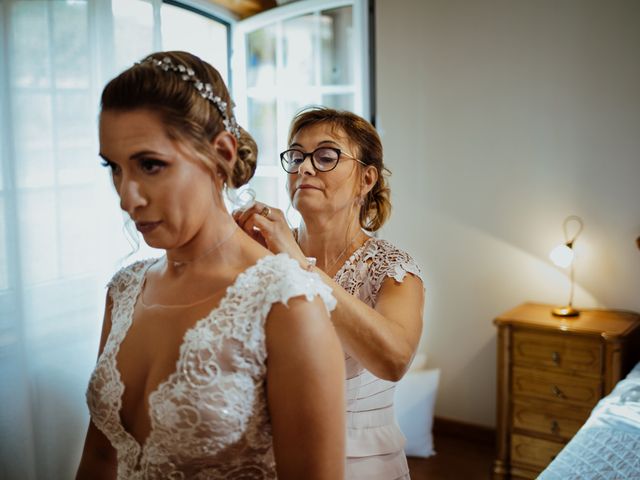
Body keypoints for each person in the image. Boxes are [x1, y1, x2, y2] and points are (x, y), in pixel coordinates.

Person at [76, 52, 345, 480]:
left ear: (220, 152)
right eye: (114, 168)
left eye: (150, 165)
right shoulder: (124, 291)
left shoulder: (288, 304)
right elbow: (99, 459)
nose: (127, 199)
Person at [234, 107, 425, 479]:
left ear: (366, 179)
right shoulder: (260, 250)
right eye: (296, 156)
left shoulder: (392, 269)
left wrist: (297, 263)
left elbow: (394, 360)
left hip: (358, 462)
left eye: (325, 156)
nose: (304, 168)